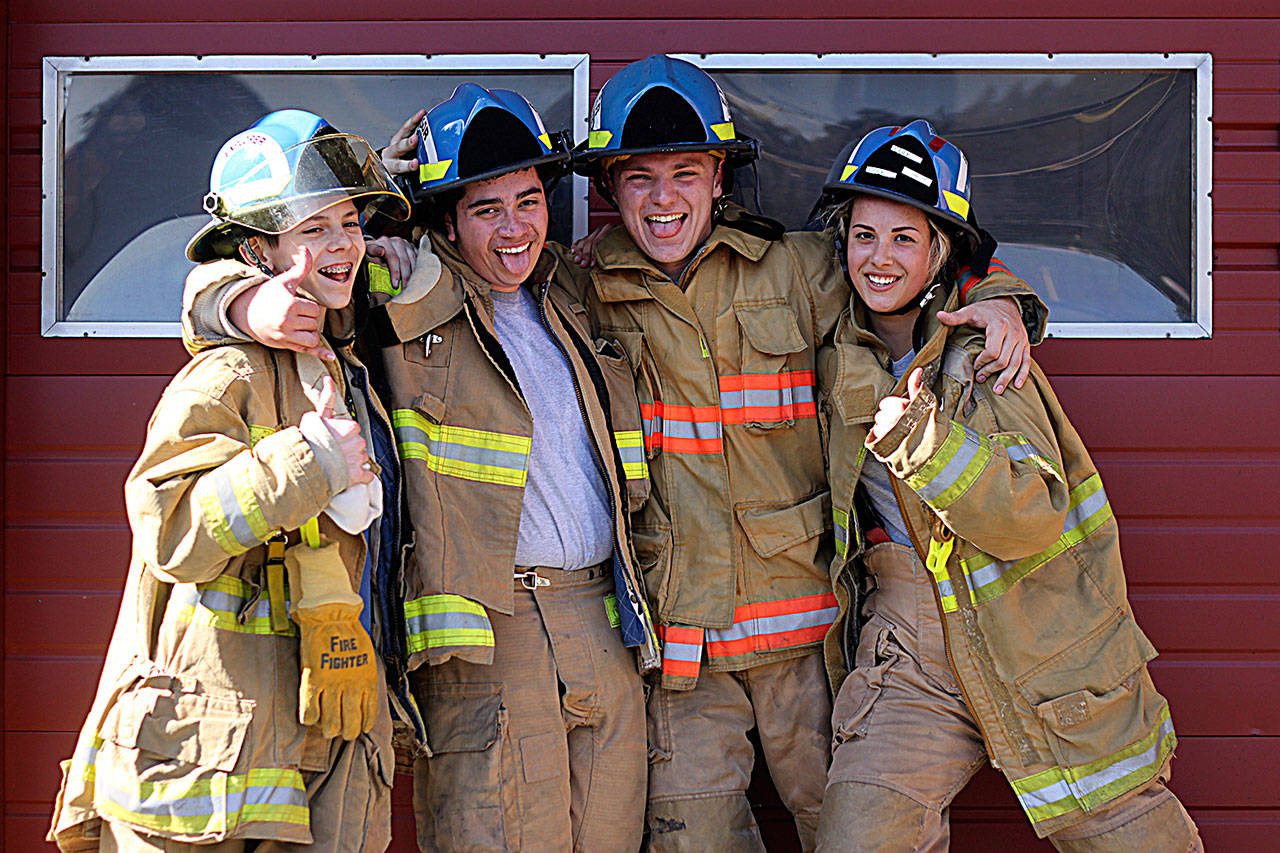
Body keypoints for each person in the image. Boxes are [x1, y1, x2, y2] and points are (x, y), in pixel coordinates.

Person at [571, 55, 1046, 851]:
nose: (663, 200)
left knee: (862, 831)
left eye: (685, 173)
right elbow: (483, 270)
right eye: (639, 179)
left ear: (719, 176)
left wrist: (1000, 297)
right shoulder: (578, 288)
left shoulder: (793, 266)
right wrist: (397, 229)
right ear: (610, 190)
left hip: (813, 644)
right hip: (682, 653)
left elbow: (905, 261)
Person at [181, 85, 660, 852]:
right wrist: (238, 303)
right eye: (486, 210)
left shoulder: (568, 293)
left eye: (530, 201)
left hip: (600, 624)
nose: (515, 229)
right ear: (444, 219)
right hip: (490, 642)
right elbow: (275, 266)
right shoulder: (402, 287)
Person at [812, 119, 1202, 851]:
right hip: (909, 650)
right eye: (864, 235)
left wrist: (927, 444)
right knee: (858, 836)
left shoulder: (984, 356)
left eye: (904, 239)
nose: (879, 258)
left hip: (1038, 638)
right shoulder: (836, 340)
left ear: (939, 254)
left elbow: (1032, 518)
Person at [48, 109, 414, 852]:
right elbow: (170, 529)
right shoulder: (226, 374)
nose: (342, 244)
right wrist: (309, 462)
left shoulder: (341, 366)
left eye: (349, 222)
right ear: (258, 249)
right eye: (313, 229)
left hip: (307, 739)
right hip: (201, 763)